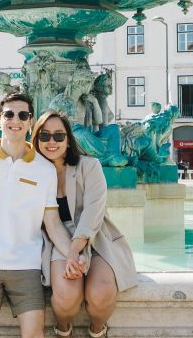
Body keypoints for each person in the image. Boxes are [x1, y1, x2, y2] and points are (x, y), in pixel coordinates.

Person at [0, 93, 75, 338]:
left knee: (34, 335)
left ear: (30, 122)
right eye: (8, 114)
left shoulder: (45, 169)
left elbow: (52, 223)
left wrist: (73, 254)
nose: (15, 120)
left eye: (23, 115)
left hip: (26, 266)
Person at [33, 110, 138, 338]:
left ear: (68, 139)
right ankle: (63, 331)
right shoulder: (33, 174)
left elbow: (93, 213)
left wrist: (75, 251)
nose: (52, 142)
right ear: (36, 139)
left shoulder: (89, 166)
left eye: (59, 136)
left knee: (101, 294)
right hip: (57, 240)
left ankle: (97, 331)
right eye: (45, 136)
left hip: (96, 236)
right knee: (67, 299)